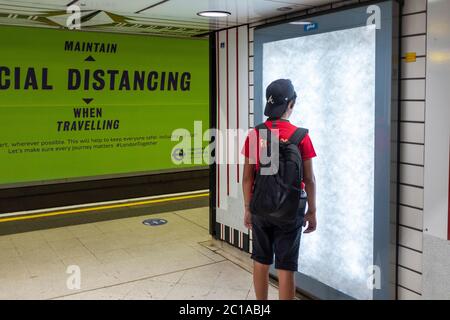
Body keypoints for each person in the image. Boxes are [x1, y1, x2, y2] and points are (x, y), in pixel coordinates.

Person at [241, 79, 317, 300]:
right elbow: (310, 179)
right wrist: (312, 211)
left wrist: (248, 208)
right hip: (290, 212)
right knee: (286, 268)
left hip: (261, 209)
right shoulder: (301, 137)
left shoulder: (256, 134)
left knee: (261, 262)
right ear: (291, 104)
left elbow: (247, 178)